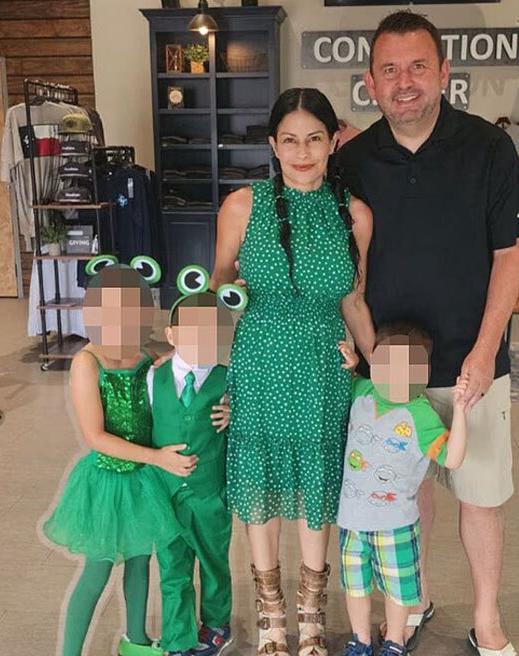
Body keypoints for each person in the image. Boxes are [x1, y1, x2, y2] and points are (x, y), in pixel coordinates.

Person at [336, 10, 519, 656]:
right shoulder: (353, 160)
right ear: (370, 81)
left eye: (418, 66)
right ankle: (414, 598)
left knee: (480, 495)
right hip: (388, 370)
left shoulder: (488, 148)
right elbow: (347, 270)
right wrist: (365, 355)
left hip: (470, 363)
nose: (405, 82)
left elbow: (509, 254)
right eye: (390, 69)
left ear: (444, 72)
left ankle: (486, 619)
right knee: (405, 489)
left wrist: (485, 349)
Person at [211, 87, 377, 656]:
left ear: (333, 142)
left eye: (314, 139)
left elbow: (354, 300)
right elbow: (217, 286)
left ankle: (311, 620)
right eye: (290, 140)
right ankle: (271, 620)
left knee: (315, 488)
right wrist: (191, 362)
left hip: (324, 370)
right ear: (272, 144)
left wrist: (385, 377)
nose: (302, 153)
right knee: (260, 482)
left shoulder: (355, 215)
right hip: (258, 363)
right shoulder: (241, 206)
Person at [41, 256, 192, 656]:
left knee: (141, 560)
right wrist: (156, 458)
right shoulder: (87, 363)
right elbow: (96, 438)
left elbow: (172, 395)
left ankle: (136, 642)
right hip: (107, 481)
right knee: (98, 569)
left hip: (142, 480)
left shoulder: (144, 357)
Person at [334, 322, 469, 656]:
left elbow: (452, 459)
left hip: (395, 524)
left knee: (398, 591)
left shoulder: (421, 415)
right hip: (351, 520)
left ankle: (394, 641)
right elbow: (346, 381)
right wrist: (352, 365)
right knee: (355, 587)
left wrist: (461, 412)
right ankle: (360, 641)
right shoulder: (362, 391)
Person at [149, 286, 236, 656]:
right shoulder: (153, 378)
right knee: (172, 567)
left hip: (209, 494)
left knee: (214, 562)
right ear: (172, 335)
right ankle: (178, 636)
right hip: (165, 493)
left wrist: (234, 416)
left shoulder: (227, 380)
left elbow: (244, 429)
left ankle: (217, 624)